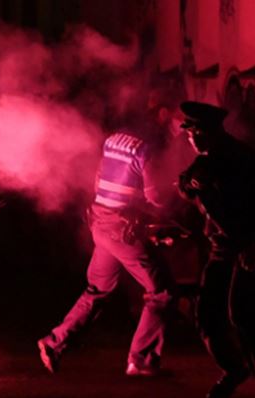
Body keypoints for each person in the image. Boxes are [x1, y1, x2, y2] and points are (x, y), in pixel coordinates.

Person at [37, 95, 176, 377]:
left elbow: (100, 182)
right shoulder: (144, 150)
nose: (173, 126)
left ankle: (54, 343)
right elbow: (156, 197)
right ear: (157, 117)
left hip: (100, 222)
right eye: (170, 119)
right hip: (120, 229)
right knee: (162, 291)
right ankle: (141, 361)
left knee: (98, 290)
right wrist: (175, 192)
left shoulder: (111, 141)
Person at [177, 101, 255, 398]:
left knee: (242, 314)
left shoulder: (241, 160)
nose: (189, 139)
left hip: (247, 248)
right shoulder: (205, 161)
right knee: (207, 314)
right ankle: (234, 370)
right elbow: (185, 182)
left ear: (203, 132)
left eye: (192, 132)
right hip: (221, 250)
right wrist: (191, 185)